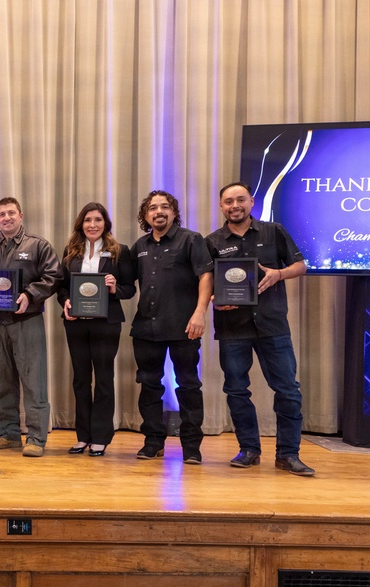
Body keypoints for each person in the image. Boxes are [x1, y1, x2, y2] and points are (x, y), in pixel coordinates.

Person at [205, 182, 315, 476]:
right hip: (232, 329)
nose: (235, 205)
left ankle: (288, 454)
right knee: (237, 391)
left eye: (240, 199)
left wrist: (279, 274)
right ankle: (249, 449)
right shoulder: (212, 241)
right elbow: (207, 283)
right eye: (228, 201)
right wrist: (215, 300)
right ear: (221, 206)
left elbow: (300, 266)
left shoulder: (273, 231)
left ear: (251, 202)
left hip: (273, 325)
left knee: (288, 391)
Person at [0, 197, 62, 457]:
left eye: (12, 213)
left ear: (21, 215)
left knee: (34, 382)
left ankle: (35, 437)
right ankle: (7, 434)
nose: (7, 218)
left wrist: (30, 295)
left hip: (27, 322)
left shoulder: (38, 246)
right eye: (2, 214)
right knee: (1, 382)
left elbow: (54, 276)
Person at [130, 190, 213, 464]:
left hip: (184, 327)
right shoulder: (139, 246)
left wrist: (200, 312)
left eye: (165, 207)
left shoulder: (191, 240)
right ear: (146, 215)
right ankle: (153, 442)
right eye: (152, 208)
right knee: (149, 386)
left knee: (188, 386)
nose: (159, 212)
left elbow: (205, 276)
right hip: (146, 329)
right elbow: (125, 284)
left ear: (174, 212)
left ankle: (191, 446)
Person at [57, 202, 135, 457]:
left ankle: (101, 436)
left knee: (103, 378)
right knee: (80, 379)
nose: (93, 225)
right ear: (81, 223)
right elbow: (61, 287)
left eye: (98, 220)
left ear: (105, 224)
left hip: (106, 324)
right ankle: (83, 436)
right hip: (76, 323)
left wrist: (114, 288)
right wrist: (66, 301)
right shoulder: (71, 251)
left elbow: (130, 288)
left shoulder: (119, 251)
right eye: (88, 220)